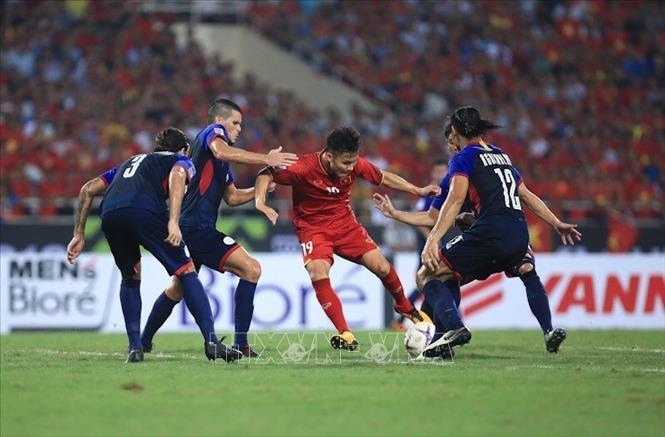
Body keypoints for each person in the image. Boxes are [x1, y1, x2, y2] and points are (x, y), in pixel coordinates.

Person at [388, 107, 579, 359]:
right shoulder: (502, 156)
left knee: (428, 274)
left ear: (455, 134)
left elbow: (454, 200)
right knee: (523, 269)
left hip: (489, 234)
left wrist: (432, 239)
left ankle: (453, 329)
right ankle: (545, 331)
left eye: (450, 136)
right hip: (518, 234)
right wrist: (556, 222)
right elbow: (526, 195)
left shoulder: (462, 159)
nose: (450, 142)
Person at [254, 126, 440, 350]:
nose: (351, 168)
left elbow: (384, 177)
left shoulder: (354, 164)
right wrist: (260, 202)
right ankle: (345, 333)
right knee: (317, 272)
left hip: (345, 225)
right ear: (329, 155)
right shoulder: (303, 167)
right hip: (313, 229)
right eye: (345, 163)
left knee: (381, 266)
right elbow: (266, 173)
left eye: (353, 162)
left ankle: (405, 307)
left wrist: (417, 190)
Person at [66, 127, 242, 363]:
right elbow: (178, 175)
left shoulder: (130, 162)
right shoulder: (181, 159)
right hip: (145, 212)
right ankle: (211, 342)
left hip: (110, 215)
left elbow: (88, 189)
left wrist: (79, 233)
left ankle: (135, 348)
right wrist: (173, 221)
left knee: (131, 276)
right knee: (186, 270)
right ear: (184, 149)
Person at [139, 98, 298, 358]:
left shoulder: (220, 163)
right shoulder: (211, 135)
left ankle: (143, 341)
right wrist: (266, 158)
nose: (238, 129)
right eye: (235, 122)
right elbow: (223, 150)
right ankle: (241, 344)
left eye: (240, 124)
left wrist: (260, 191)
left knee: (176, 289)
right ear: (219, 121)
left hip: (191, 228)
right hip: (197, 228)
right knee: (251, 269)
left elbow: (232, 198)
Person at [391, 157, 448, 332]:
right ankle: (400, 316)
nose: (440, 174)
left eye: (443, 171)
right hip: (427, 247)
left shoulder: (446, 190)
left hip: (435, 243)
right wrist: (432, 239)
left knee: (440, 281)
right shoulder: (431, 194)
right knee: (430, 282)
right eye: (437, 171)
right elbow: (421, 219)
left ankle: (446, 321)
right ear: (432, 173)